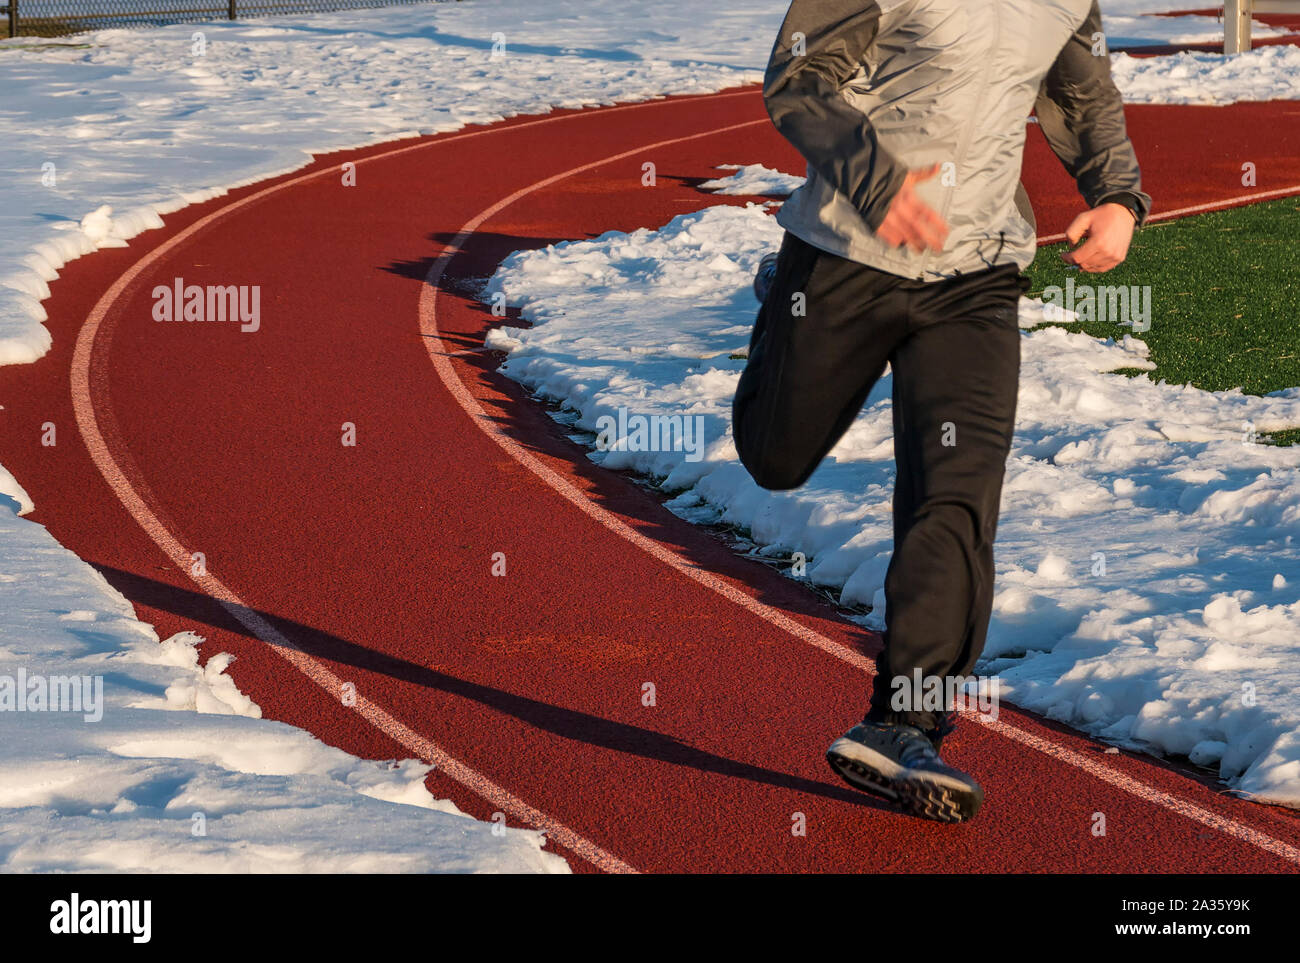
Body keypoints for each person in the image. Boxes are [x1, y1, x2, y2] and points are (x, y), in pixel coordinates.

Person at [734, 0, 1151, 823]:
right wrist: (881, 184)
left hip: (978, 273)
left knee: (954, 497)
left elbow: (1081, 93)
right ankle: (779, 312)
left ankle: (905, 722)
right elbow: (800, 77)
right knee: (774, 458)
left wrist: (1117, 196)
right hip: (847, 255)